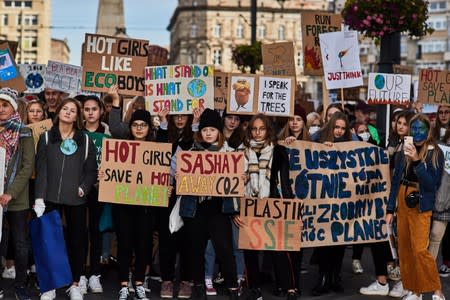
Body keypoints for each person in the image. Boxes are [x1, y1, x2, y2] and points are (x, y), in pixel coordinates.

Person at [34, 98, 97, 300]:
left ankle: (75, 284)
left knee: (77, 242)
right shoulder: (45, 138)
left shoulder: (85, 140)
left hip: (76, 199)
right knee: (49, 241)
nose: (68, 112)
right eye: (65, 108)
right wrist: (39, 197)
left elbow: (91, 171)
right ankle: (50, 286)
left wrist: (84, 188)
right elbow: (41, 170)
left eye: (73, 110)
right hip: (50, 197)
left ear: (77, 117)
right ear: (58, 111)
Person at [234, 114, 298, 300]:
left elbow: (285, 182)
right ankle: (254, 288)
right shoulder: (240, 152)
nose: (258, 132)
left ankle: (289, 288)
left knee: (279, 249)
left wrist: (289, 207)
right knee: (250, 251)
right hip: (248, 205)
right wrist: (235, 211)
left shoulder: (278, 151)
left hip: (273, 205)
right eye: (254, 129)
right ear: (249, 130)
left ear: (268, 130)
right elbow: (232, 185)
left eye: (262, 129)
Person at [177, 108, 239, 300]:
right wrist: (179, 175)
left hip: (219, 210)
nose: (209, 133)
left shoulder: (230, 153)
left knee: (225, 250)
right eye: (205, 130)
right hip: (195, 210)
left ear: (219, 132)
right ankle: (198, 287)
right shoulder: (190, 153)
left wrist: (240, 177)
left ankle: (233, 288)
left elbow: (236, 182)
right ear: (200, 132)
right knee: (195, 250)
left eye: (212, 129)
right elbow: (175, 173)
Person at [385, 114, 445, 300]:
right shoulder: (405, 147)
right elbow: (395, 180)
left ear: (428, 131)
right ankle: (414, 291)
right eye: (414, 129)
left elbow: (431, 184)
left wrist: (418, 160)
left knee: (419, 250)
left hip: (421, 201)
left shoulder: (436, 152)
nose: (417, 132)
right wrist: (390, 209)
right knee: (405, 249)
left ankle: (437, 291)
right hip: (402, 200)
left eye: (421, 129)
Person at [105, 109, 154, 300]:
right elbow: (112, 173)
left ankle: (139, 282)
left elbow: (160, 175)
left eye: (143, 125)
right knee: (124, 244)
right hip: (123, 205)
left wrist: (164, 188)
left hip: (146, 207)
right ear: (130, 127)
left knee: (143, 246)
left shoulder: (156, 148)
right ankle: (124, 284)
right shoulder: (121, 147)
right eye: (135, 125)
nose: (139, 128)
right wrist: (105, 176)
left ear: (149, 128)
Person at [156, 108, 196, 299]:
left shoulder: (195, 135)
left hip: (190, 192)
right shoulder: (163, 133)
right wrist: (164, 123)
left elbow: (196, 151)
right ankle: (167, 280)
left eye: (184, 115)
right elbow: (161, 152)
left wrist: (195, 123)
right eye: (176, 115)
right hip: (167, 192)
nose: (180, 119)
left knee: (188, 239)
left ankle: (187, 281)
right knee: (166, 239)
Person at [312, 111, 352, 296]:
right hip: (323, 199)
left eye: (343, 128)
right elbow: (305, 151)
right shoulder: (318, 137)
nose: (339, 131)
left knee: (339, 241)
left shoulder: (351, 142)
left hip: (342, 200)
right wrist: (322, 148)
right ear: (331, 126)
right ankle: (323, 277)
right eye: (337, 127)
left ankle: (335, 276)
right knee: (323, 241)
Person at [0, 88, 35, 300]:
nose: (1, 108)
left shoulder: (24, 132)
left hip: (17, 199)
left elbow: (27, 166)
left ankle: (20, 285)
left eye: (5, 104)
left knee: (20, 244)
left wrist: (10, 193)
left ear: (13, 107)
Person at [77, 95, 111, 295]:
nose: (90, 112)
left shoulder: (108, 134)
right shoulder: (77, 133)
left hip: (100, 189)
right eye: (87, 109)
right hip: (80, 189)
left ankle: (95, 275)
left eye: (94, 109)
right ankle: (80, 274)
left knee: (96, 231)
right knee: (79, 232)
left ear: (101, 111)